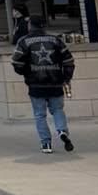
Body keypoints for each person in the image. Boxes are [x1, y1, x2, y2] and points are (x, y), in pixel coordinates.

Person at [10, 19, 75, 154]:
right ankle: (62, 130)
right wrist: (66, 78)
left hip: (36, 84)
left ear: (30, 26)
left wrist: (25, 72)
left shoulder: (24, 41)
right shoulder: (55, 40)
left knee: (40, 115)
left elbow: (16, 61)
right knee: (57, 109)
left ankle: (46, 144)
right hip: (55, 82)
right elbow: (68, 60)